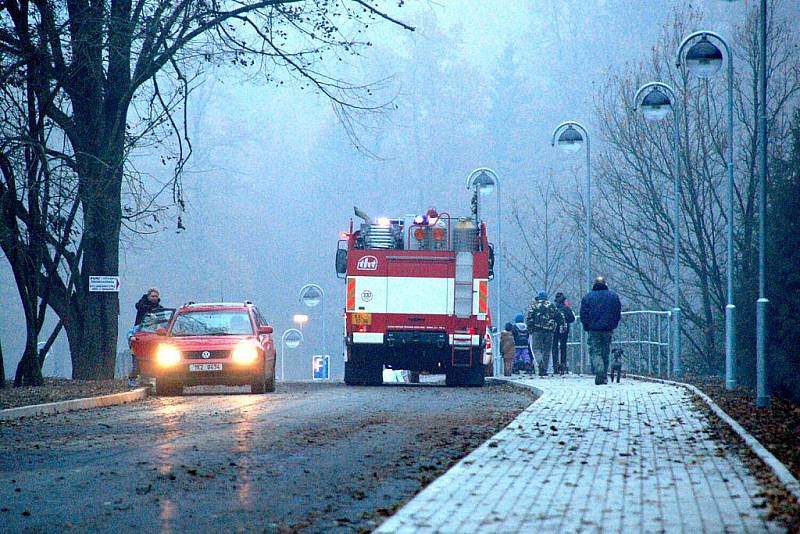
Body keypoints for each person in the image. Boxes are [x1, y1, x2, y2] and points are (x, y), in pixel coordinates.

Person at [580, 276, 622, 385]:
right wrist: (614, 324)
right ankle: (603, 376)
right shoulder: (613, 296)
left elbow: (583, 314)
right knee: (605, 351)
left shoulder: (587, 297)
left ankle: (599, 370)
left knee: (595, 351)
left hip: (593, 329)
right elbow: (617, 312)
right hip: (608, 329)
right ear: (605, 284)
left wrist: (586, 326)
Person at [525, 290, 561, 377]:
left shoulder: (534, 306)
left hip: (537, 331)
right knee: (547, 350)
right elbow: (558, 316)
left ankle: (540, 362)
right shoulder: (551, 305)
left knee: (536, 349)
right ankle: (544, 369)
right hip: (549, 331)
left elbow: (529, 318)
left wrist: (530, 329)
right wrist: (561, 324)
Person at [552, 292, 576, 375]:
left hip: (554, 329)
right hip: (564, 329)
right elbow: (572, 318)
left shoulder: (553, 308)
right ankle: (563, 364)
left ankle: (555, 365)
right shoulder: (566, 308)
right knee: (563, 346)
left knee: (554, 346)